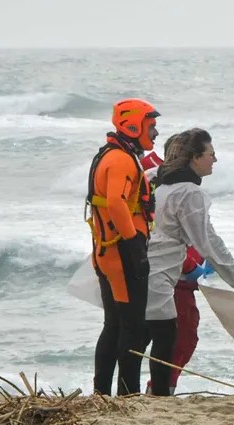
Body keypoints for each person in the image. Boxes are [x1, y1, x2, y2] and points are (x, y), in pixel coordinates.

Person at [144, 129, 234, 396]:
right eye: (210, 154)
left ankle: (136, 395)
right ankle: (159, 396)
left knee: (139, 338)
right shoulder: (188, 193)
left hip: (149, 271)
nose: (215, 160)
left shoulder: (161, 185)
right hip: (161, 275)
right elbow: (208, 241)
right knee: (168, 340)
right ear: (195, 158)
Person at [87, 98, 160, 396]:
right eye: (151, 126)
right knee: (132, 328)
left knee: (115, 325)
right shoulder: (119, 160)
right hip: (121, 255)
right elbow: (116, 202)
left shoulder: (114, 155)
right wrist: (134, 245)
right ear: (133, 125)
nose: (155, 133)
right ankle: (126, 394)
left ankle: (103, 392)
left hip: (108, 254)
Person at [140, 153, 214, 395]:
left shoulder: (166, 184)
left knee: (168, 338)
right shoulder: (165, 185)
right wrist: (192, 267)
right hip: (172, 279)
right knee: (176, 339)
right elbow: (165, 236)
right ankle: (160, 390)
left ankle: (149, 390)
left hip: (172, 277)